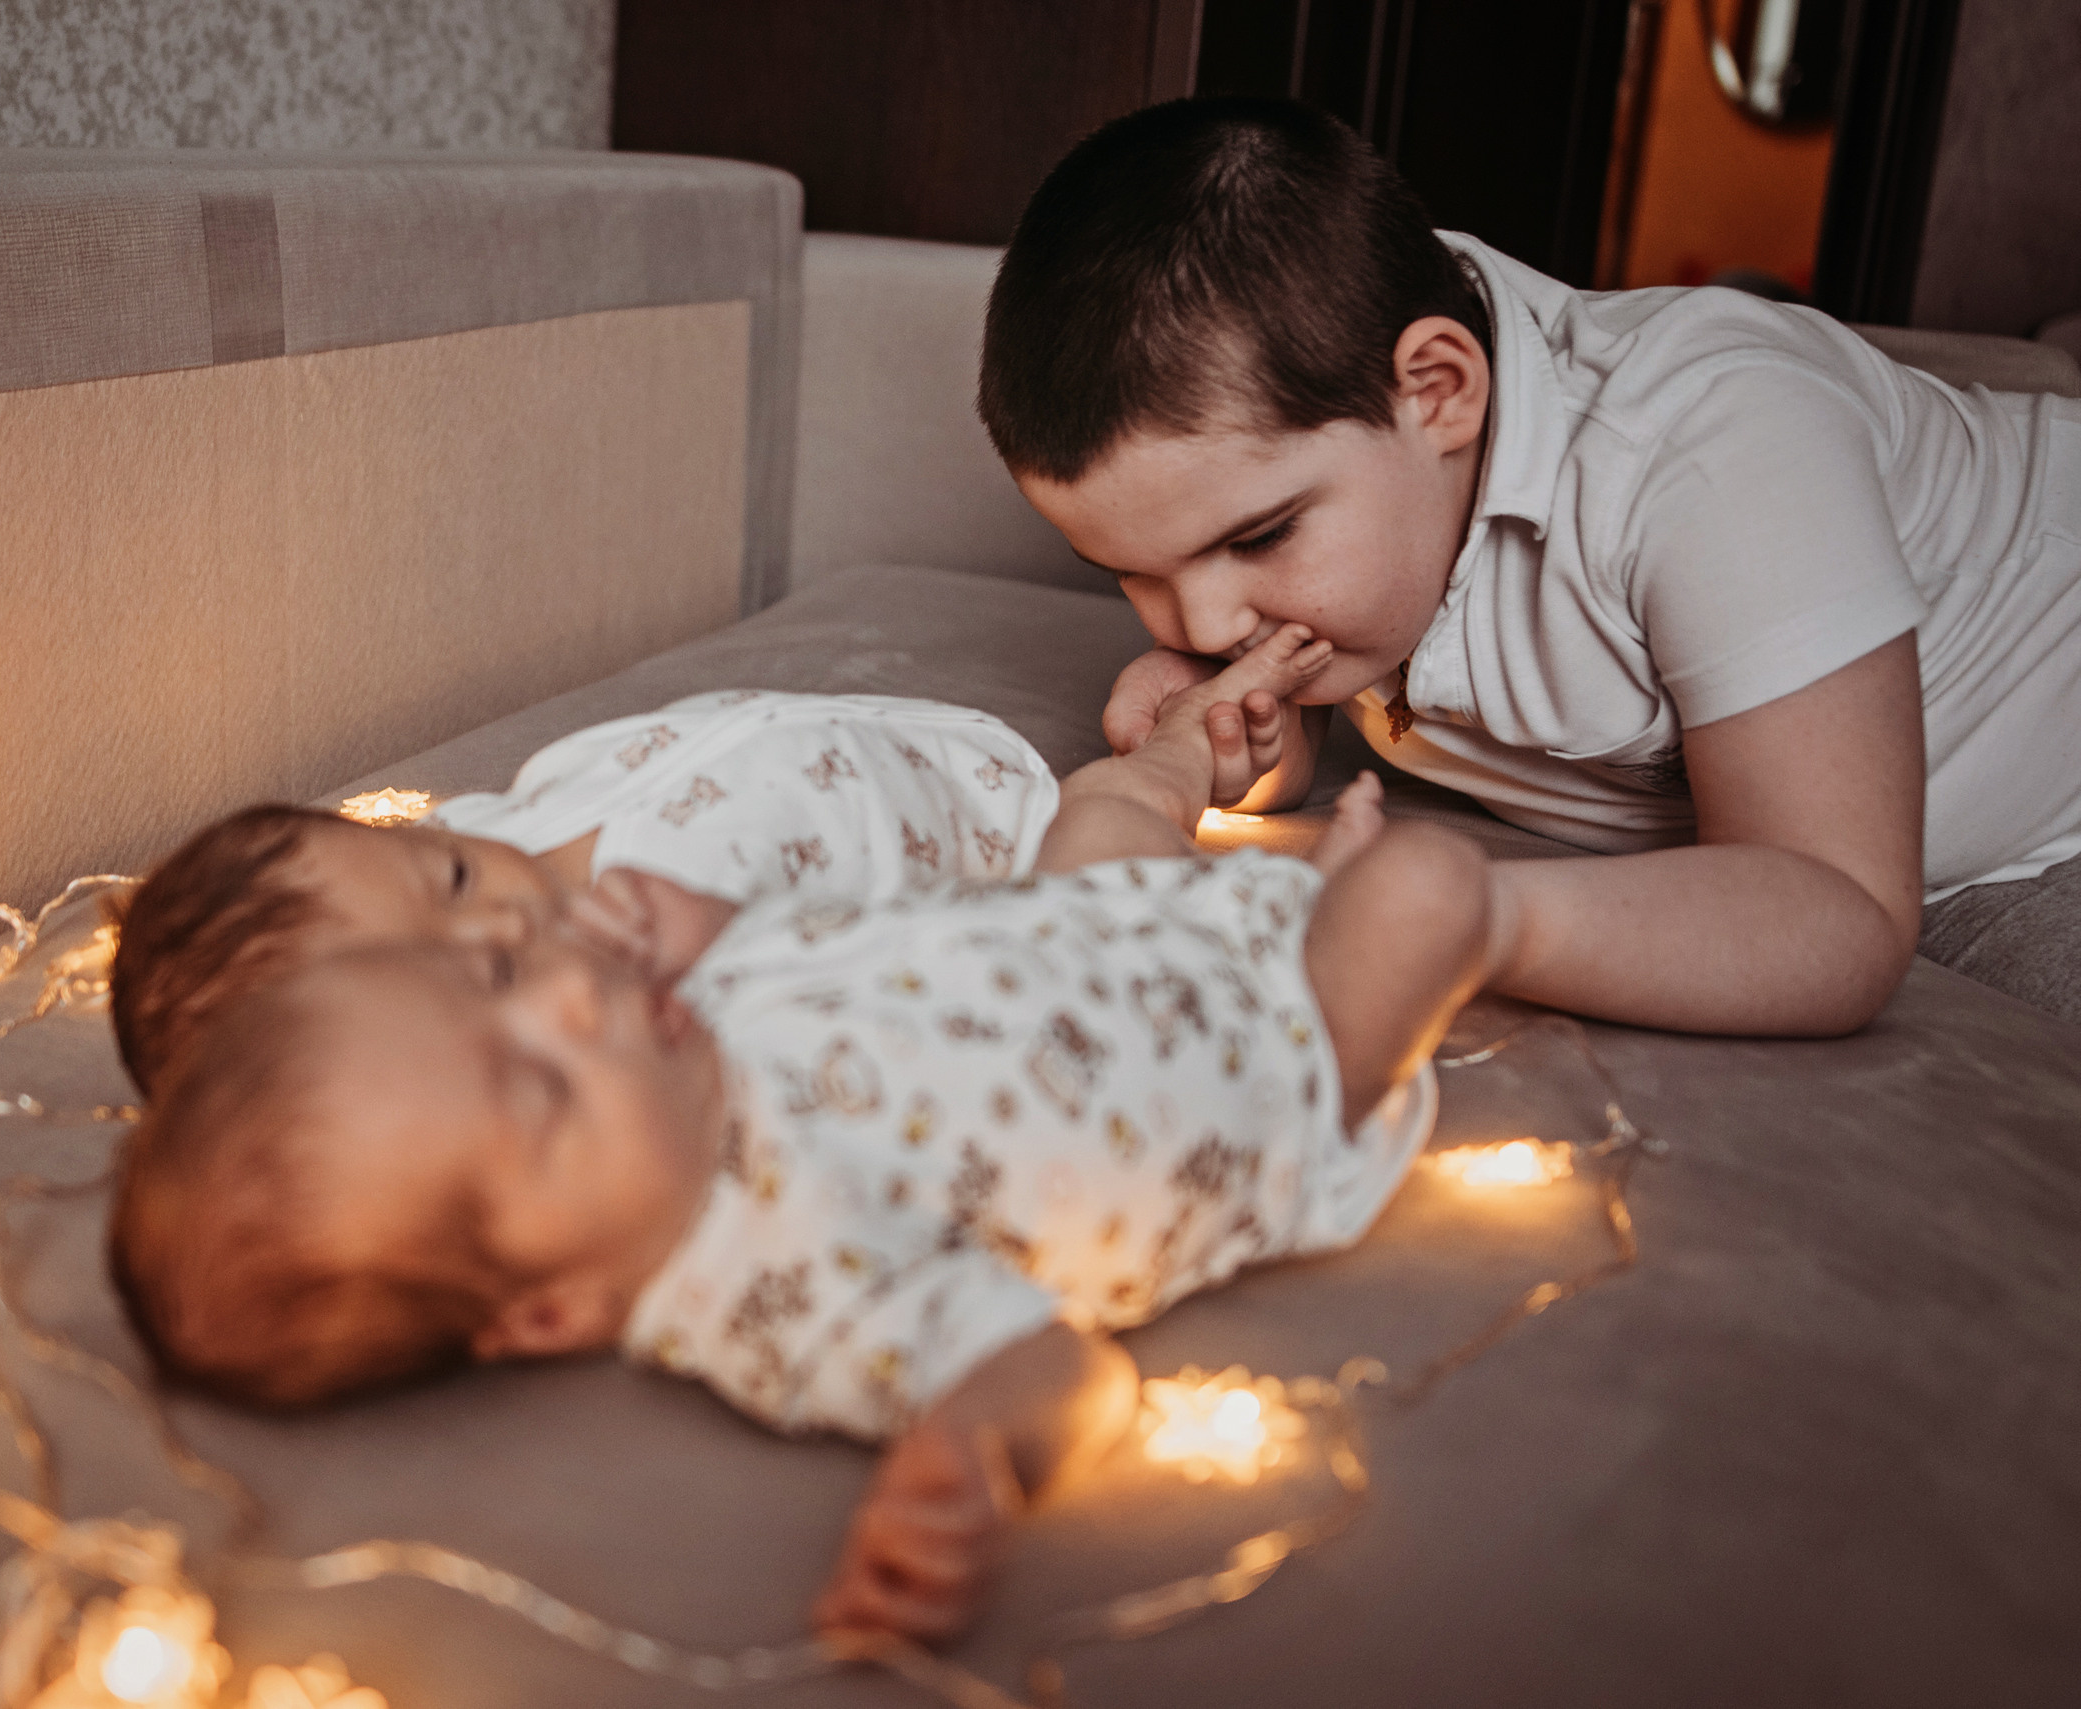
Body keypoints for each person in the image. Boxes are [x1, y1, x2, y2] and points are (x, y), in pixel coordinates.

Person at [108, 631, 1499, 1642]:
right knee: (1434, 887)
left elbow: (830, 931)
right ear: (549, 1308)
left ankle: (1243, 808)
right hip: (1263, 1053)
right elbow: (1054, 1364)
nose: (572, 1000)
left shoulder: (670, 1032)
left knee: (1131, 812)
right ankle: (1387, 925)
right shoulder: (779, 1282)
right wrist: (976, 1451)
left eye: (502, 975)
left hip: (1111, 912)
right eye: (541, 1091)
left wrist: (701, 925)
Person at [979, 97, 2081, 1028]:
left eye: (1258, 539)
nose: (1204, 624)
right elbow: (1336, 690)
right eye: (1129, 570)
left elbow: (1836, 909)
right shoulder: (1362, 468)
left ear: (1438, 391)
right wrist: (1257, 747)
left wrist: (1481, 916)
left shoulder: (1715, 451)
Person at [108, 688, 1073, 1099]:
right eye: (470, 962)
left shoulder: (488, 831)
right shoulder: (639, 966)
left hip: (895, 727)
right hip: (1004, 834)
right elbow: (829, 994)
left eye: (451, 876)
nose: (501, 916)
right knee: (1115, 835)